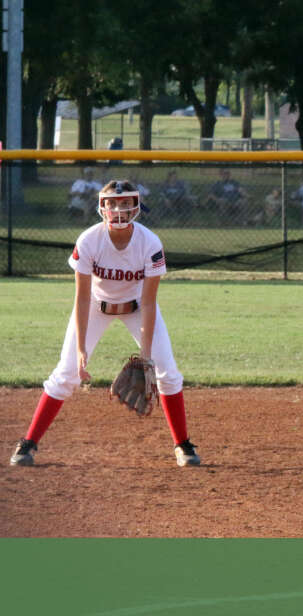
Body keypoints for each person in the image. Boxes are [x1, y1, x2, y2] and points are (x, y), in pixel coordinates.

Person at [9, 180, 201, 468]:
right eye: (112, 203)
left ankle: (183, 445)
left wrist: (146, 354)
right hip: (95, 307)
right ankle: (28, 444)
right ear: (102, 207)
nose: (119, 210)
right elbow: (82, 298)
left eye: (125, 203)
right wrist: (82, 348)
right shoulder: (89, 240)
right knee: (66, 373)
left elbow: (148, 303)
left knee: (168, 373)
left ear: (136, 206)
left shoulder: (150, 243)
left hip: (137, 308)